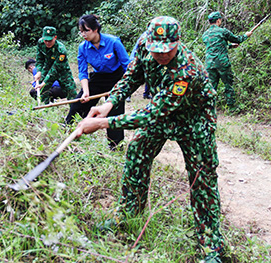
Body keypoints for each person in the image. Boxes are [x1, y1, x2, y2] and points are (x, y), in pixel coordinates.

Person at [75, 16, 224, 262]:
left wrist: (102, 123)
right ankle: (127, 217)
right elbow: (132, 76)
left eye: (167, 50)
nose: (161, 55)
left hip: (194, 118)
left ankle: (210, 245)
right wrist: (109, 103)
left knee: (202, 176)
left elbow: (153, 112)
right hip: (163, 113)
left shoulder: (186, 70)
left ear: (178, 42)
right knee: (136, 152)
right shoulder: (145, 44)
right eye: (157, 50)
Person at [65, 14, 130, 149]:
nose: (83, 34)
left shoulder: (113, 42)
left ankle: (115, 147)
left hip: (116, 77)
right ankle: (66, 134)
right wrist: (86, 92)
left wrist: (125, 86)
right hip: (98, 78)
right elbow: (82, 71)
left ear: (95, 29)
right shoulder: (83, 47)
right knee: (77, 106)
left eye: (86, 31)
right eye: (81, 31)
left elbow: (127, 66)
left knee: (114, 112)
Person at [202, 11, 252, 113]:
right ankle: (232, 108)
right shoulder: (223, 31)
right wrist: (246, 35)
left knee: (211, 87)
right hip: (222, 63)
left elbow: (214, 47)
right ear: (218, 20)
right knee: (228, 84)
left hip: (209, 64)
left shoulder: (205, 34)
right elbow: (237, 39)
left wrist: (229, 46)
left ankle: (208, 109)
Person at [34, 26, 77, 104]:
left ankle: (75, 112)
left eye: (50, 40)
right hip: (47, 68)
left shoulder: (61, 49)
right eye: (46, 40)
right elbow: (39, 59)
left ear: (55, 37)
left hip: (62, 70)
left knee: (71, 90)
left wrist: (45, 82)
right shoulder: (40, 43)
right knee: (42, 90)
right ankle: (45, 108)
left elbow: (55, 69)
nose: (47, 43)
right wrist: (39, 71)